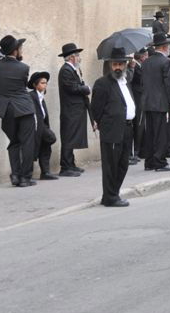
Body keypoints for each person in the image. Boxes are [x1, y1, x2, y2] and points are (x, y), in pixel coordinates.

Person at [91, 48, 137, 207]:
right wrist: (104, 124)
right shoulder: (102, 83)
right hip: (112, 129)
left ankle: (113, 193)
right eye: (115, 64)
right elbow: (95, 109)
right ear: (110, 65)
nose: (117, 67)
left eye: (120, 64)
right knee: (111, 165)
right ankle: (110, 197)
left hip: (127, 128)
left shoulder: (126, 81)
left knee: (123, 164)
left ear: (125, 65)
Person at [0, 35, 37, 187]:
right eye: (19, 48)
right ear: (15, 51)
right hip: (24, 108)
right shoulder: (23, 68)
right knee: (28, 143)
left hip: (6, 109)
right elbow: (22, 84)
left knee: (14, 142)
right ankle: (25, 178)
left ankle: (15, 175)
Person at [140, 32, 170, 172]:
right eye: (168, 45)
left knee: (150, 133)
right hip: (161, 104)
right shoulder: (166, 62)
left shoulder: (146, 62)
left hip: (147, 103)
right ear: (164, 47)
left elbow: (143, 83)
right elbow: (169, 85)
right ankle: (160, 162)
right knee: (162, 134)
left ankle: (149, 162)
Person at [57, 43, 91, 177]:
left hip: (75, 110)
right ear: (72, 57)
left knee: (71, 138)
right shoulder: (66, 70)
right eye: (77, 56)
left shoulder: (72, 70)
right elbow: (72, 88)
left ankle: (71, 164)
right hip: (70, 110)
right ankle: (65, 167)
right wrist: (86, 89)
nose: (79, 58)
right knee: (68, 138)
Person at [28, 71, 58, 181]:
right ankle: (27, 175)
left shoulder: (41, 97)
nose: (45, 85)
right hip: (36, 128)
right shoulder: (31, 96)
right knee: (49, 139)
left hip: (43, 126)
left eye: (46, 83)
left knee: (45, 147)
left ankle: (45, 172)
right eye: (42, 83)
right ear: (35, 85)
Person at [128, 49, 148, 166]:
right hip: (137, 99)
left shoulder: (139, 67)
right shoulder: (136, 67)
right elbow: (141, 80)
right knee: (138, 125)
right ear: (141, 56)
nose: (147, 58)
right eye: (145, 55)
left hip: (141, 98)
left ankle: (140, 150)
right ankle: (135, 150)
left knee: (141, 126)